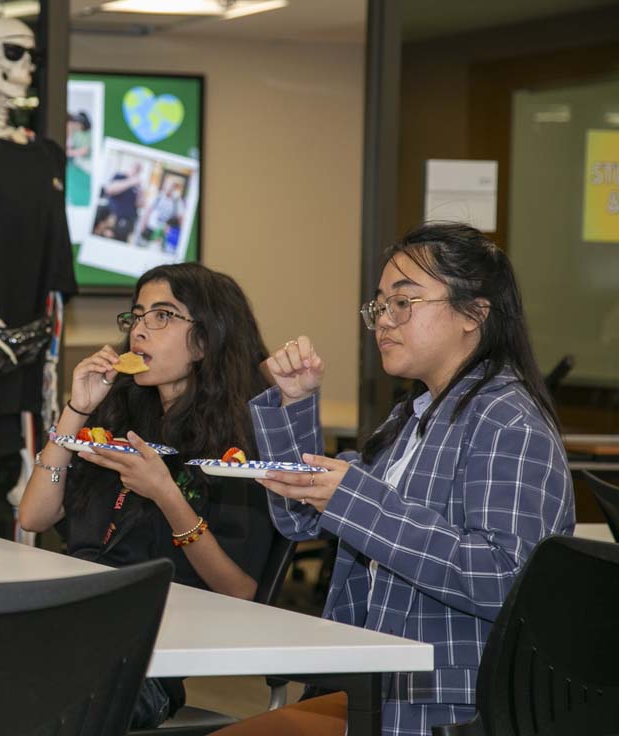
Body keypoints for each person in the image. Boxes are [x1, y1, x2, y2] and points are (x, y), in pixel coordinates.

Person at [219, 223, 574, 736]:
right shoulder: (415, 414)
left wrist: (360, 503)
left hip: (447, 707)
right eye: (379, 306)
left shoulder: (507, 420)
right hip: (375, 685)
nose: (384, 320)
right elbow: (300, 519)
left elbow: (505, 578)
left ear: (475, 313)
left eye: (404, 302)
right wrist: (295, 405)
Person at [18, 262, 275, 728]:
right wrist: (76, 410)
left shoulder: (240, 449)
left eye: (162, 316)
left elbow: (239, 590)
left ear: (205, 339)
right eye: (136, 317)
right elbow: (34, 516)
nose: (140, 331)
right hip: (72, 628)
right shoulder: (118, 418)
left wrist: (166, 495)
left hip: (146, 659)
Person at [100, 161, 144, 242]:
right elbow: (110, 190)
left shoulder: (137, 185)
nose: (136, 171)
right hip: (111, 218)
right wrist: (132, 181)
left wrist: (140, 192)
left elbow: (139, 205)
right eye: (135, 168)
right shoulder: (119, 176)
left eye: (139, 170)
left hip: (127, 222)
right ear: (130, 167)